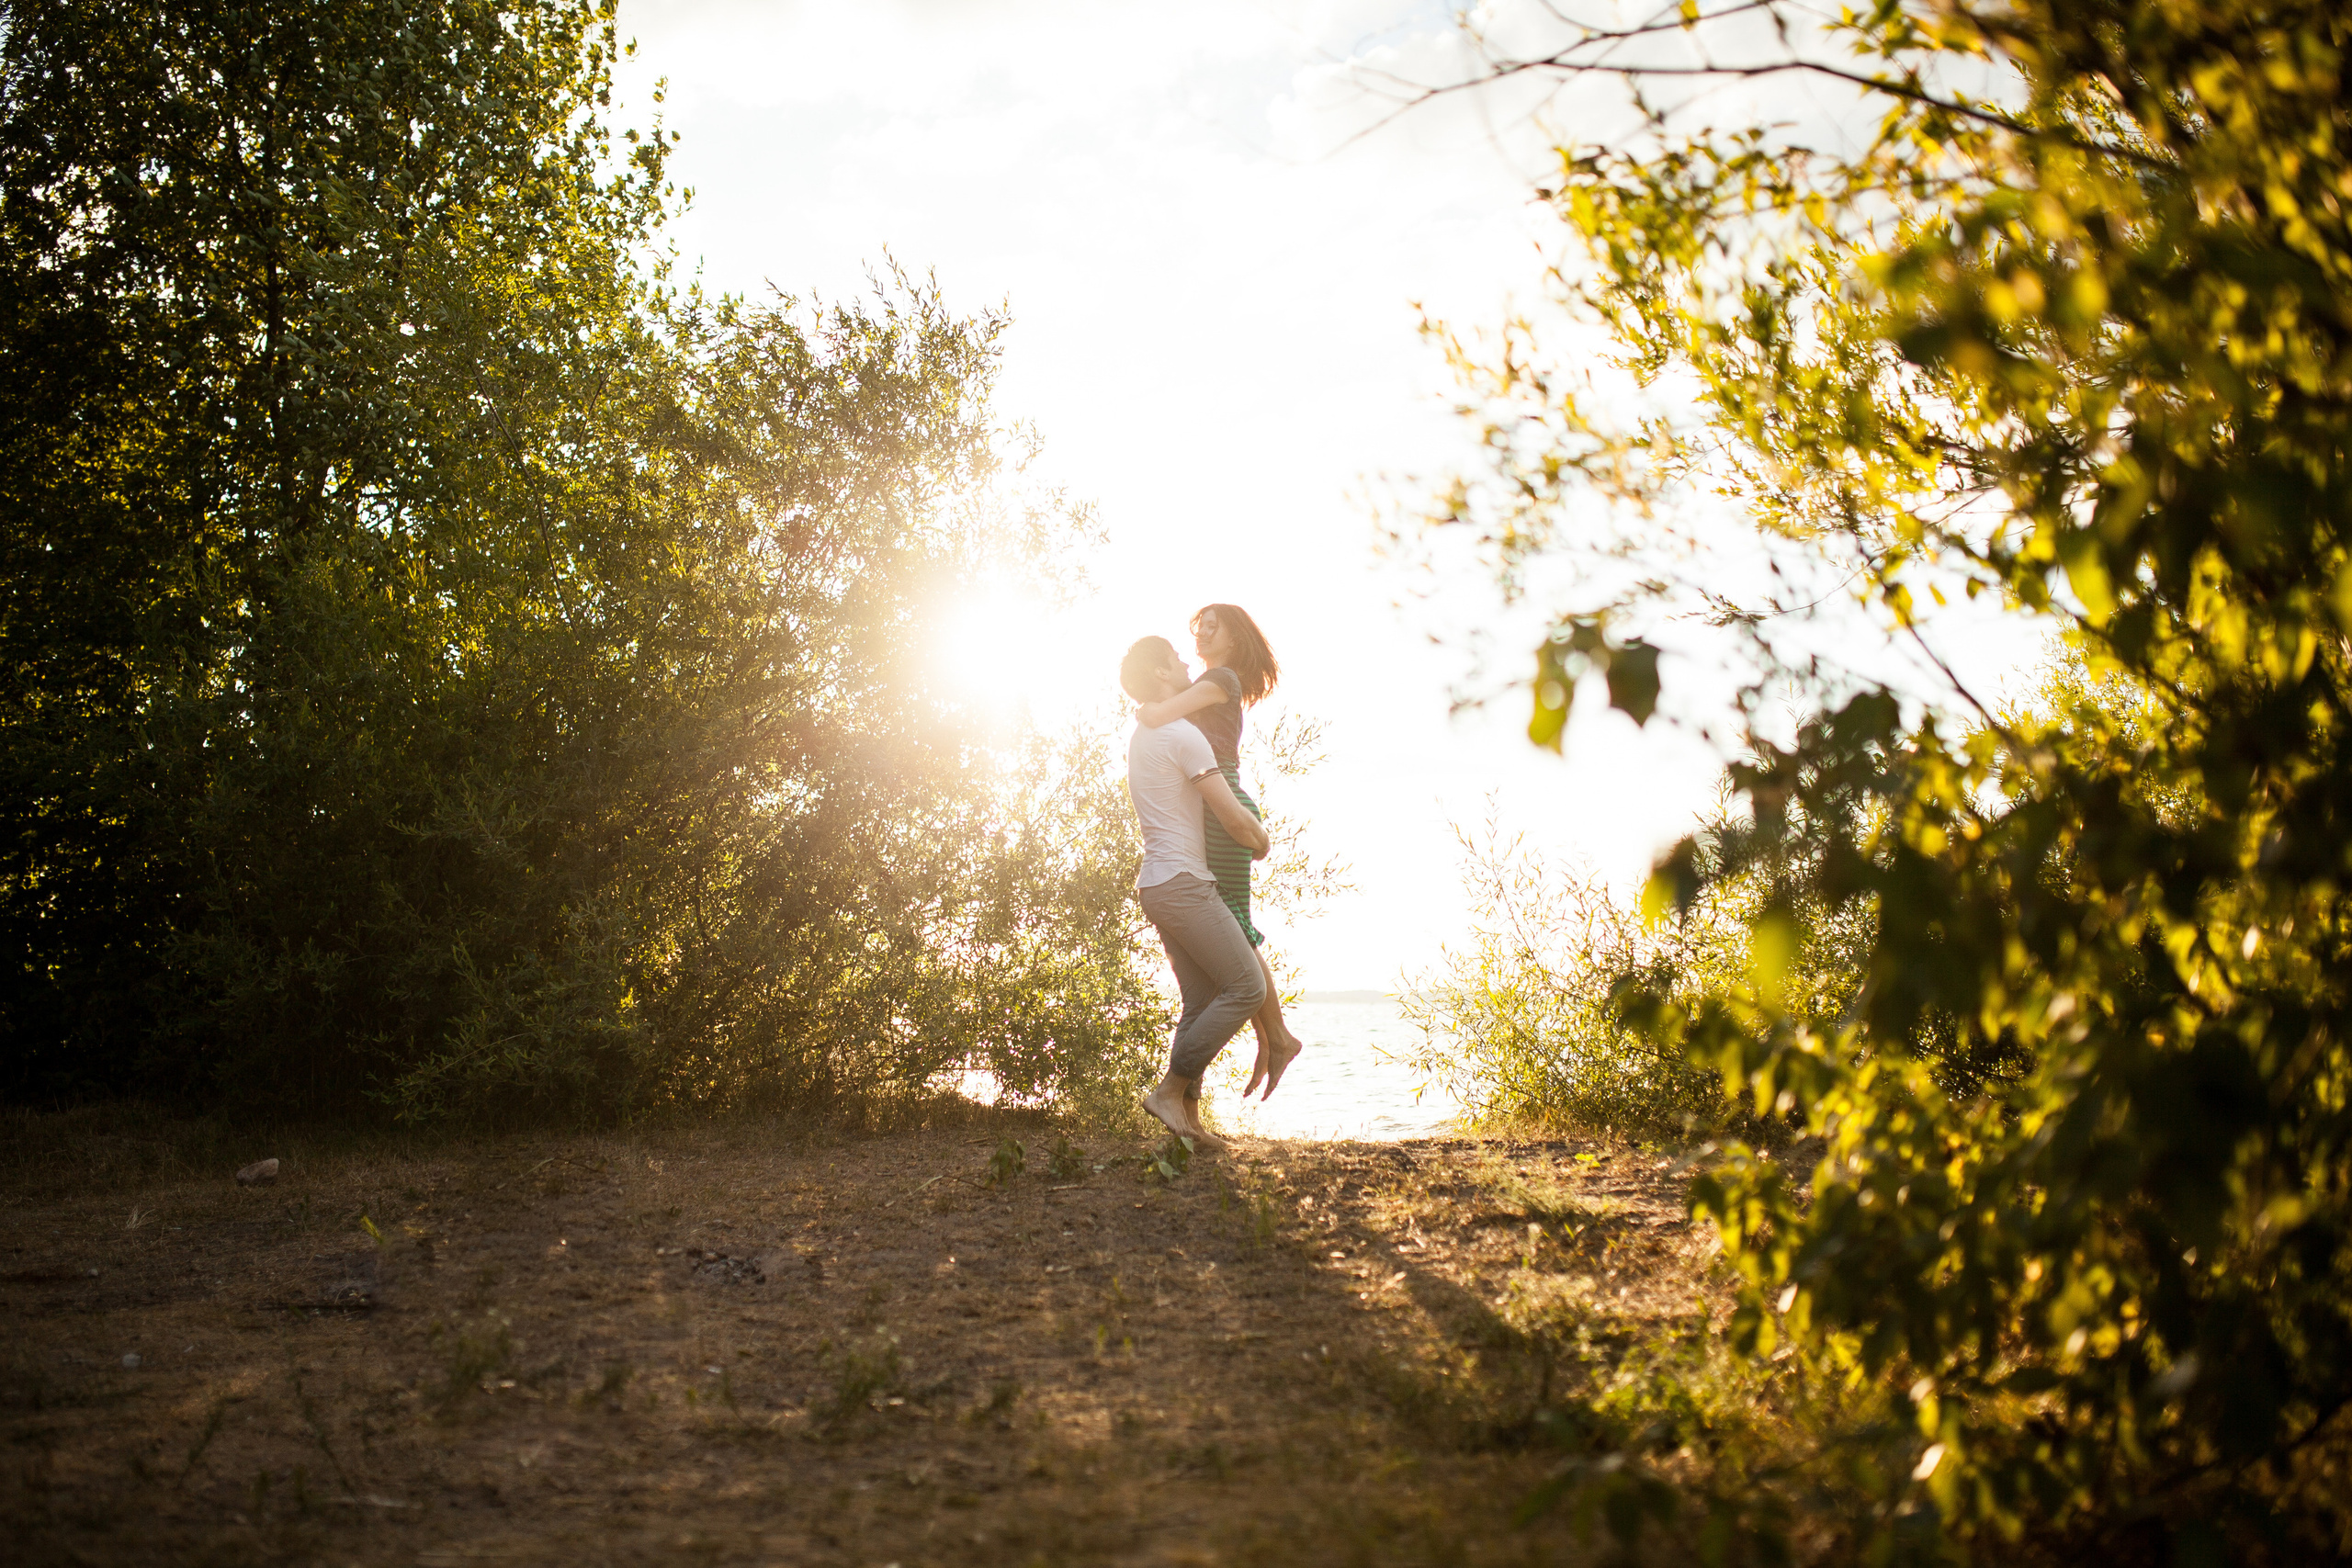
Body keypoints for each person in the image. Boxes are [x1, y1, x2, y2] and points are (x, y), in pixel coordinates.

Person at [1132, 604, 1305, 1100]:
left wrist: (1143, 709)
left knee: (1237, 926)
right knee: (1234, 926)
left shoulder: (1221, 679)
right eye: (1199, 629)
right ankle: (1274, 1037)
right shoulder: (1208, 682)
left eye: (1213, 627)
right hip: (1211, 801)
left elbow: (1159, 712)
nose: (1203, 635)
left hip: (1221, 797)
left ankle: (1277, 1037)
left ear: (1234, 638)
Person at [1120, 636, 1270, 1148]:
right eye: (1176, 659)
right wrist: (1261, 839)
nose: (1187, 662)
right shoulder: (1184, 736)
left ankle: (1187, 1123)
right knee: (1247, 988)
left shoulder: (1145, 735)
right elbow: (1232, 818)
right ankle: (1170, 1090)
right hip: (1184, 883)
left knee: (1201, 1000)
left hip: (1157, 884)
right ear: (1163, 674)